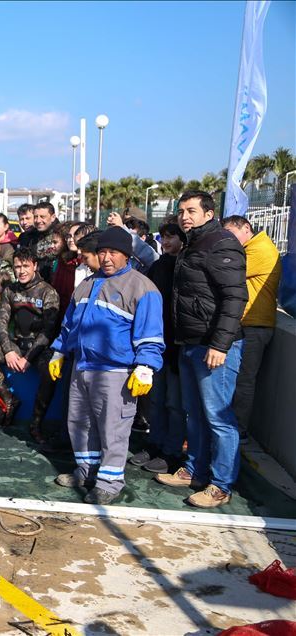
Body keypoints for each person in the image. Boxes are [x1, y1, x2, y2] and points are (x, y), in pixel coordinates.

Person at [48, 226, 165, 505]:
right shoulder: (87, 284)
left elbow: (151, 334)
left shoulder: (142, 288)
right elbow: (70, 325)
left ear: (127, 255)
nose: (107, 258)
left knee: (113, 428)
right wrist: (59, 352)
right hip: (82, 366)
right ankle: (86, 471)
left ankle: (109, 482)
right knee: (79, 423)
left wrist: (145, 366)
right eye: (102, 252)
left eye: (114, 252)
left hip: (116, 372)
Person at [155, 191, 247, 508]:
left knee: (219, 418)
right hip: (191, 343)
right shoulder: (192, 243)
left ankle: (220, 485)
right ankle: (194, 471)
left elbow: (234, 297)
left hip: (215, 347)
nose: (185, 216)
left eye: (192, 210)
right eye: (181, 211)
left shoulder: (221, 242)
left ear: (209, 213)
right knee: (195, 414)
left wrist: (220, 344)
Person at [0, 248, 60, 441]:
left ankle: (36, 423)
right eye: (17, 267)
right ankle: (9, 400)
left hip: (39, 348)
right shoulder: (10, 290)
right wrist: (8, 351)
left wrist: (29, 358)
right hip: (15, 344)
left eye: (25, 266)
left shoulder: (48, 292)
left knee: (50, 371)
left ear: (35, 266)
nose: (21, 271)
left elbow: (48, 331)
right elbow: (2, 323)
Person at [130, 222, 187, 474]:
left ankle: (172, 451)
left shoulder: (186, 265)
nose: (166, 241)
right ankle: (155, 443)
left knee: (175, 403)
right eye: (163, 237)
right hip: (157, 345)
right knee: (157, 400)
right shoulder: (158, 266)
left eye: (171, 236)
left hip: (178, 346)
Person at [222, 215, 282, 438]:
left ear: (246, 228)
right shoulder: (251, 247)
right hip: (245, 324)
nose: (227, 239)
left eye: (230, 233)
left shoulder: (260, 249)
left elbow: (227, 273)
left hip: (254, 325)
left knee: (242, 381)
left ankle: (237, 430)